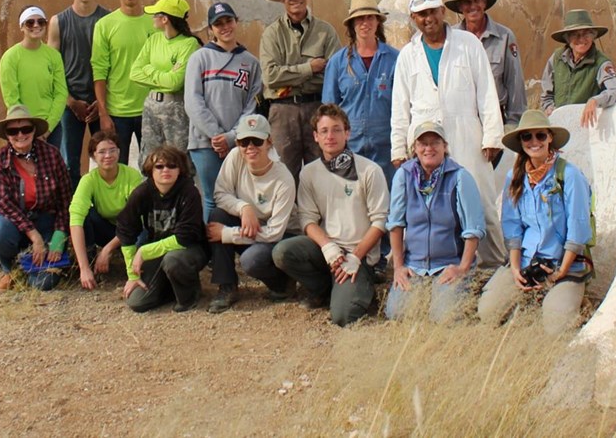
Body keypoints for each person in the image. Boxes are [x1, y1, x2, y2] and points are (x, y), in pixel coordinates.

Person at [390, 0, 507, 268]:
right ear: (413, 18)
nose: (428, 19)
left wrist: (492, 135)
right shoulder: (408, 55)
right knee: (430, 207)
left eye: (432, 11)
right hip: (425, 141)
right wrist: (398, 146)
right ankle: (428, 265)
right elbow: (400, 106)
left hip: (466, 133)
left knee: (481, 200)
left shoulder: (468, 44)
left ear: (443, 11)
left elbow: (487, 93)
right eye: (421, 14)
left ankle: (493, 265)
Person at [476, 110, 592, 335]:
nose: (534, 142)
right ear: (521, 143)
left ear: (550, 138)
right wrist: (516, 269)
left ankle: (580, 305)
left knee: (556, 325)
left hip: (565, 266)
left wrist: (559, 273)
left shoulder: (569, 175)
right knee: (488, 311)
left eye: (540, 135)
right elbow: (513, 229)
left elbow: (578, 231)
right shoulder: (514, 177)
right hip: (527, 261)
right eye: (527, 137)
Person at [272, 105, 389, 327]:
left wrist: (355, 257)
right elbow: (307, 219)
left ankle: (359, 287)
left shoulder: (369, 170)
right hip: (328, 252)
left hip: (358, 254)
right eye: (324, 131)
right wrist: (328, 247)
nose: (330, 136)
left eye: (336, 130)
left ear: (347, 133)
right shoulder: (309, 172)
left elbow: (380, 222)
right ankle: (324, 288)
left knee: (344, 317)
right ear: (315, 136)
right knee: (283, 252)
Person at [385, 121, 486, 321]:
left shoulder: (460, 177)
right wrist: (398, 267)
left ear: (445, 146)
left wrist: (462, 268)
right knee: (397, 313)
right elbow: (395, 225)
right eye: (423, 143)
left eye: (435, 143)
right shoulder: (403, 176)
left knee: (445, 317)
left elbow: (474, 229)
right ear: (415, 148)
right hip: (414, 265)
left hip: (449, 263)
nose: (428, 148)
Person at [206, 113, 297, 313]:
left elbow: (274, 232)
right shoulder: (235, 157)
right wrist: (243, 207)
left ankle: (282, 283)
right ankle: (226, 286)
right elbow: (221, 193)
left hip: (279, 235)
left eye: (257, 141)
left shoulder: (284, 179)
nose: (250, 147)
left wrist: (228, 234)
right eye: (243, 141)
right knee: (217, 215)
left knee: (252, 260)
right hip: (249, 225)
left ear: (269, 142)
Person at [259, 0, 341, 183]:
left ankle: (321, 217)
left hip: (317, 108)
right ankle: (288, 218)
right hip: (282, 111)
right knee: (283, 175)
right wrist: (310, 68)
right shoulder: (271, 34)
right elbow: (270, 77)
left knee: (323, 171)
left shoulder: (326, 31)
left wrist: (289, 73)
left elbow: (334, 75)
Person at [184, 2, 263, 221]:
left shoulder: (250, 62)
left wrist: (232, 137)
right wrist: (216, 135)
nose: (225, 27)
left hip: (239, 142)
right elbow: (192, 101)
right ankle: (213, 252)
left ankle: (238, 247)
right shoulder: (200, 58)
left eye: (228, 21)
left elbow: (252, 105)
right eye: (218, 24)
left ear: (236, 21)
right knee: (212, 197)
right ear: (211, 29)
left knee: (241, 196)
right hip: (205, 142)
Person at [0, 105, 73, 290]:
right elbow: (4, 204)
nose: (20, 135)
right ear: (7, 135)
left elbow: (66, 199)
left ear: (34, 131)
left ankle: (31, 267)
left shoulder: (52, 154)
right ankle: (11, 267)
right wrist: (34, 237)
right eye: (13, 131)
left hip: (47, 220)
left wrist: (59, 237)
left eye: (26, 129)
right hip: (18, 223)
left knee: (43, 284)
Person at [116, 145, 208, 312]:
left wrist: (143, 252)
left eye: (172, 165)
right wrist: (132, 274)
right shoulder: (141, 193)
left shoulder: (189, 192)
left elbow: (185, 237)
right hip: (157, 249)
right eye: (159, 166)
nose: (166, 170)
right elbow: (125, 229)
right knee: (137, 302)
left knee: (173, 261)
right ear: (151, 170)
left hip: (189, 249)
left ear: (180, 169)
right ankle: (167, 289)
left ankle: (189, 296)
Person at [322, 0, 399, 188]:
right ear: (352, 25)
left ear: (378, 22)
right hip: (350, 147)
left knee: (386, 201)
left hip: (386, 147)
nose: (365, 23)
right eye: (360, 19)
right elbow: (330, 110)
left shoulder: (395, 59)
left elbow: (404, 104)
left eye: (370, 17)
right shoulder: (338, 62)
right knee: (351, 201)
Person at [47, 0, 109, 185]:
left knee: (106, 157)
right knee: (69, 162)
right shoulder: (58, 22)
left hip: (100, 103)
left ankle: (104, 211)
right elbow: (52, 67)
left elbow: (114, 64)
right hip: (69, 102)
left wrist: (101, 103)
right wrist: (70, 101)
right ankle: (72, 212)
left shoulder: (107, 20)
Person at [91, 0, 155, 164]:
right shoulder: (105, 25)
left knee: (152, 166)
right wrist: (103, 113)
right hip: (118, 112)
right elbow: (99, 72)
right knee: (118, 167)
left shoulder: (155, 22)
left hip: (150, 109)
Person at [444, 0, 526, 127]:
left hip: (495, 117)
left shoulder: (504, 36)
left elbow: (514, 82)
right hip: (461, 121)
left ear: (484, 3)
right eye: (467, 2)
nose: (473, 6)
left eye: (477, 0)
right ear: (460, 7)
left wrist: (514, 123)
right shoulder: (450, 38)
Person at [68, 130, 143, 290]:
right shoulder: (88, 180)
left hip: (132, 231)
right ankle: (89, 267)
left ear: (119, 152)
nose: (108, 155)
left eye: (112, 150)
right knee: (86, 216)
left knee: (144, 228)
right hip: (107, 229)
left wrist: (107, 249)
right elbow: (76, 220)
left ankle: (138, 268)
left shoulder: (132, 175)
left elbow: (135, 219)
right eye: (101, 152)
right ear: (93, 156)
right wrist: (83, 268)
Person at [130, 0, 201, 164]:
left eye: (156, 14)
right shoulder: (154, 39)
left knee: (177, 160)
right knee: (150, 159)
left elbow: (174, 83)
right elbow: (134, 73)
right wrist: (163, 74)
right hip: (151, 107)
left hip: (176, 109)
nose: (152, 18)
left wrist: (149, 70)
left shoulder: (189, 44)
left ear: (165, 19)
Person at [539, 9, 616, 128]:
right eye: (575, 34)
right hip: (558, 126)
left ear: (593, 36)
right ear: (567, 38)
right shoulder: (556, 58)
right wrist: (550, 109)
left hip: (586, 127)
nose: (581, 39)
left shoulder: (601, 63)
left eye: (587, 34)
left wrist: (595, 100)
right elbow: (546, 94)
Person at [0, 5, 68, 148]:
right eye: (30, 22)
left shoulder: (54, 56)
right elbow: (11, 98)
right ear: (21, 27)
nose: (36, 25)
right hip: (21, 129)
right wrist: (26, 128)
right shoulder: (10, 57)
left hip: (51, 128)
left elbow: (61, 93)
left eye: (41, 22)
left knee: (50, 170)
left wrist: (47, 129)